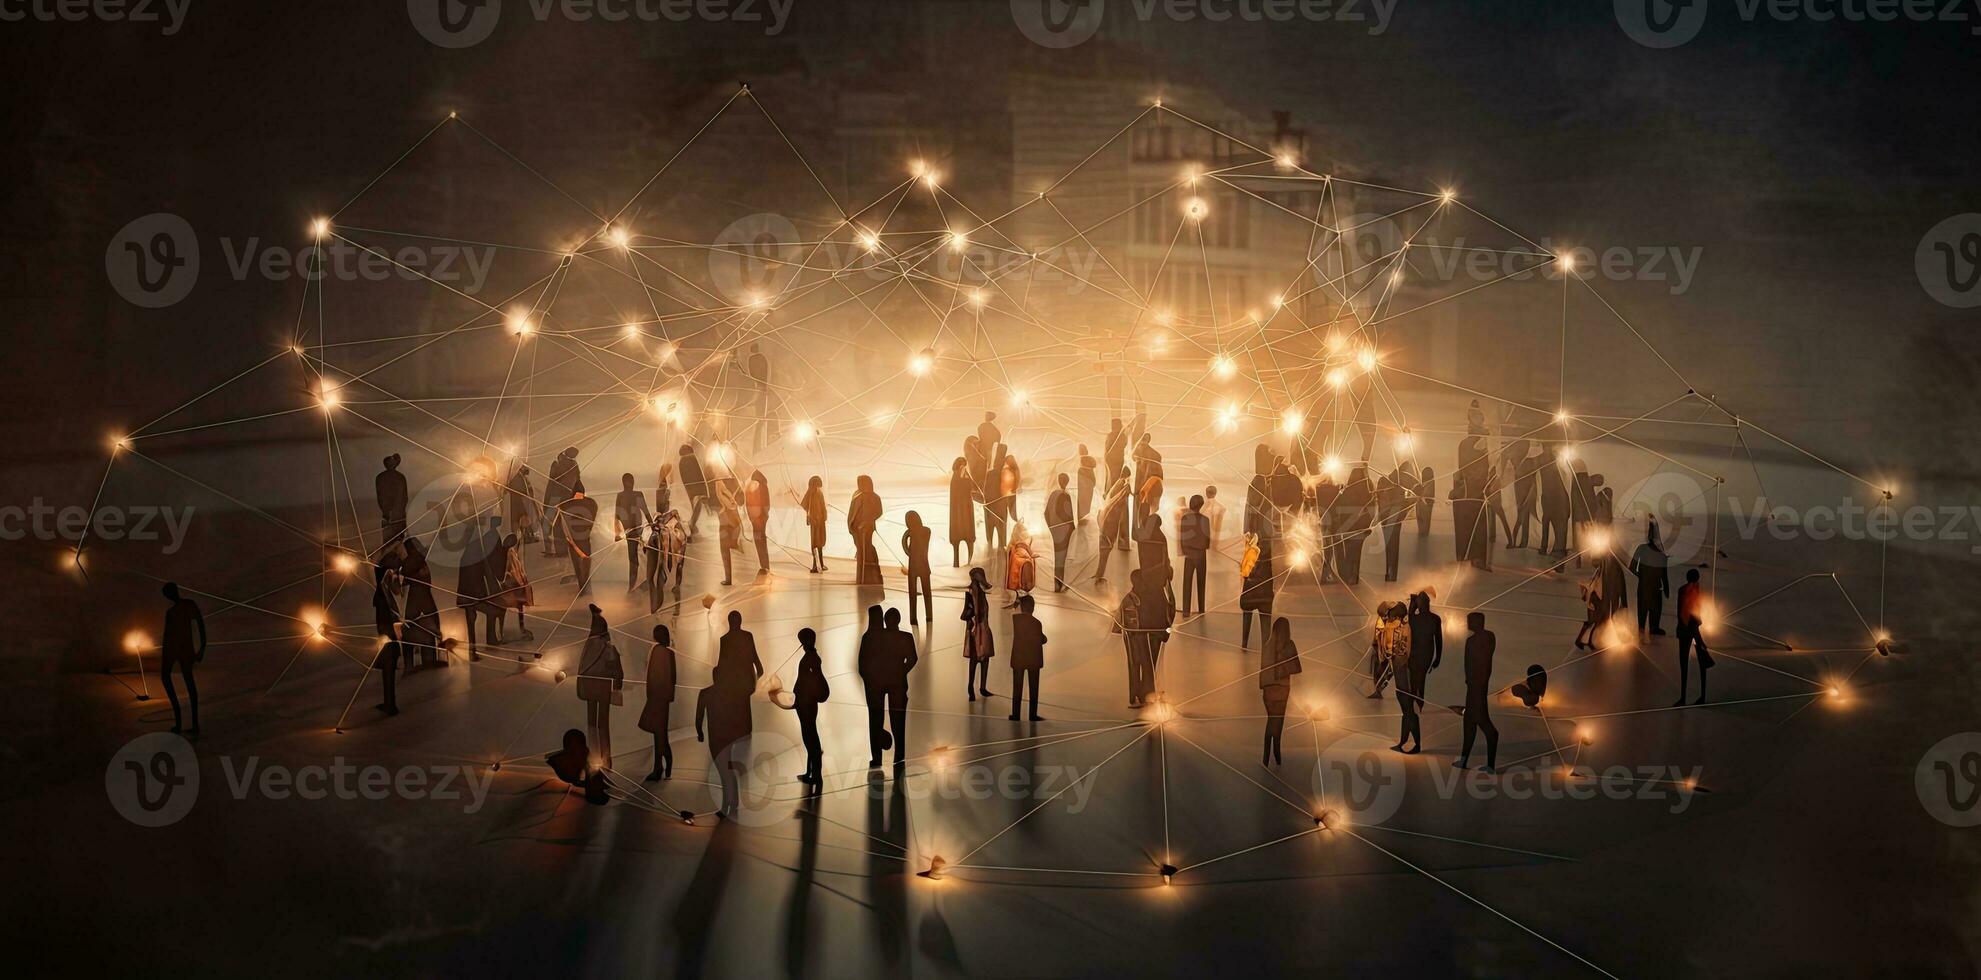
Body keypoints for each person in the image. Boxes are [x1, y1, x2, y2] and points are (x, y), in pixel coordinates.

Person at [577, 605, 624, 770]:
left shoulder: (588, 647)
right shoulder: (608, 648)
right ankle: (606, 759)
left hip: (590, 688)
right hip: (603, 689)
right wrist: (617, 685)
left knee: (591, 722)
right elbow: (617, 670)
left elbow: (582, 669)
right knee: (603, 723)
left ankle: (593, 756)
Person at [1454, 611, 1499, 772]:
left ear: (1478, 622)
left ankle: (1490, 765)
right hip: (1474, 685)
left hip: (1477, 686)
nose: (1468, 623)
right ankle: (1464, 760)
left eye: (1470, 621)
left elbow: (1480, 663)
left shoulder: (1480, 639)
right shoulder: (1480, 639)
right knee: (1469, 722)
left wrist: (1476, 681)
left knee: (1482, 722)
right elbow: (1469, 664)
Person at [1397, 592, 1443, 753]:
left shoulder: (1418, 619)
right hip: (1422, 656)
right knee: (1417, 684)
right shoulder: (1431, 619)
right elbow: (1439, 640)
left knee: (1415, 687)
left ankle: (1416, 707)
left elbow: (1439, 639)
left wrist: (1412, 606)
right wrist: (1437, 658)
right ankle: (1416, 706)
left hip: (1419, 657)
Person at [1260, 616, 1302, 766]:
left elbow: (1263, 673)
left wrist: (1266, 686)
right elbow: (1297, 668)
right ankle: (1276, 756)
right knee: (1277, 723)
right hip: (1281, 691)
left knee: (1271, 722)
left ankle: (1267, 757)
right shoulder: (1289, 645)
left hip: (1270, 692)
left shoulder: (1267, 646)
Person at [793, 627, 830, 787]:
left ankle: (816, 775)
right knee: (809, 736)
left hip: (807, 702)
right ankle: (811, 772)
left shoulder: (811, 658)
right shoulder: (811, 657)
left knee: (810, 738)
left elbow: (813, 679)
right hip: (806, 701)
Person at [455, 518, 496, 660]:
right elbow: (487, 576)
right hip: (474, 595)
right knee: (491, 612)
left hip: (465, 595)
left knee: (471, 621)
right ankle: (489, 640)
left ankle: (472, 652)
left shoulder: (466, 554)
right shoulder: (478, 554)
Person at [639, 624, 677, 781]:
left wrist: (651, 694)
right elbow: (673, 678)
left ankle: (660, 767)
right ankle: (664, 764)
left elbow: (653, 676)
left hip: (656, 698)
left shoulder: (656, 651)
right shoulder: (670, 653)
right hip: (664, 698)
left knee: (658, 733)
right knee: (661, 732)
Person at [400, 539, 444, 667]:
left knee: (423, 643)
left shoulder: (413, 564)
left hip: (419, 612)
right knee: (425, 642)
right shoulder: (413, 564)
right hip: (421, 612)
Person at [1674, 568, 1715, 705]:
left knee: (1684, 663)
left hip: (1686, 628)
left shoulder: (1683, 590)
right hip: (1694, 627)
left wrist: (1682, 628)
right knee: (1701, 661)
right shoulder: (1698, 591)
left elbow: (1680, 612)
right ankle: (1702, 696)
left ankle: (1683, 697)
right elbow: (1697, 611)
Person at [490, 531, 536, 648]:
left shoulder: (511, 552)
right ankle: (504, 631)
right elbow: (508, 571)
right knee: (515, 603)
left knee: (521, 602)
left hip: (512, 585)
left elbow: (517, 569)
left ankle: (519, 628)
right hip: (507, 587)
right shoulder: (507, 554)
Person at [1116, 568, 1153, 707]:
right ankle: (1134, 696)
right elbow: (1121, 620)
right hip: (1133, 638)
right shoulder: (1130, 599)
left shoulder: (1138, 598)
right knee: (1134, 665)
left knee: (1142, 664)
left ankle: (1142, 694)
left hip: (1140, 636)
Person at [1008, 594, 1046, 721]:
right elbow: (1042, 639)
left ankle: (1015, 714)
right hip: (1033, 660)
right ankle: (1032, 714)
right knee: (1034, 689)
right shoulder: (1037, 623)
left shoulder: (1016, 620)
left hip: (1018, 659)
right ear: (1033, 608)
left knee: (1017, 688)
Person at [1630, 521, 1670, 640]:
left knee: (1645, 610)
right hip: (1655, 588)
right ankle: (1651, 627)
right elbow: (1664, 573)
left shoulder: (1642, 549)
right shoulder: (1660, 553)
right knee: (1652, 610)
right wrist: (1666, 588)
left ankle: (1646, 627)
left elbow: (1632, 567)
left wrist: (1641, 576)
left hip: (1646, 587)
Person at [371, 565, 403, 714]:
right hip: (388, 639)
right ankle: (389, 703)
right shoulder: (383, 597)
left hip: (388, 640)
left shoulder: (384, 597)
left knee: (388, 671)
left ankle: (390, 704)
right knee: (388, 671)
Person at [614, 473, 653, 591]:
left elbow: (617, 516)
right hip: (633, 529)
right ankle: (637, 583)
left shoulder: (622, 495)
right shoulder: (635, 494)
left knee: (635, 557)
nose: (631, 483)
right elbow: (618, 515)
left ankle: (634, 584)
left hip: (633, 529)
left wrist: (618, 533)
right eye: (630, 481)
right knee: (640, 555)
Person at [961, 567, 996, 700]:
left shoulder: (981, 591)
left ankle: (982, 687)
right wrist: (972, 618)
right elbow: (967, 611)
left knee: (985, 658)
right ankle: (971, 687)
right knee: (975, 659)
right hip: (976, 629)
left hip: (983, 627)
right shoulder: (971, 592)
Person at [1366, 600, 1411, 698]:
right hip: (1383, 651)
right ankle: (1378, 691)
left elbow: (1405, 644)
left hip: (1396, 655)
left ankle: (1405, 696)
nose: (1386, 619)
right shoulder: (1385, 621)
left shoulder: (1402, 626)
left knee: (1398, 678)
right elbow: (1378, 635)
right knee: (1379, 672)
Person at [543, 447, 583, 557]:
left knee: (550, 523)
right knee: (559, 523)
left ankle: (555, 550)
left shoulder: (558, 464)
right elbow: (577, 482)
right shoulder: (574, 466)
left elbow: (553, 476)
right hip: (566, 497)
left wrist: (558, 461)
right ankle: (562, 550)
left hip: (554, 497)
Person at [1238, 532, 1276, 649]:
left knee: (1247, 615)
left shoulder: (1252, 552)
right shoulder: (1271, 557)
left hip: (1250, 595)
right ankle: (1266, 647)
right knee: (1265, 624)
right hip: (1266, 596)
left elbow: (1245, 572)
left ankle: (1244, 643)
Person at [1095, 466, 1131, 584]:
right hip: (1110, 524)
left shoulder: (1117, 484)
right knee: (1105, 550)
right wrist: (1126, 491)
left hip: (1107, 522)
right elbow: (1117, 500)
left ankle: (1099, 574)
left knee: (1104, 551)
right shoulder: (1121, 486)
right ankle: (1099, 576)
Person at [559, 490, 599, 595]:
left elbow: (560, 507)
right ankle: (585, 583)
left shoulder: (567, 504)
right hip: (585, 536)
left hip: (574, 539)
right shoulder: (591, 503)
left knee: (577, 562)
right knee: (586, 559)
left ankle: (582, 585)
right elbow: (594, 514)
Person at [848, 474, 884, 587]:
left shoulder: (871, 497)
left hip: (865, 529)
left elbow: (878, 512)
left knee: (865, 551)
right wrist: (854, 526)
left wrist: (867, 522)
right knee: (862, 552)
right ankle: (864, 578)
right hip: (858, 529)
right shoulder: (859, 496)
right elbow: (853, 513)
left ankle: (867, 577)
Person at [1178, 494, 1210, 616]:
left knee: (1187, 583)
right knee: (1201, 582)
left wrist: (1185, 550)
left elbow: (1183, 537)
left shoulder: (1185, 519)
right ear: (1201, 505)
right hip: (1201, 554)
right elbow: (1207, 538)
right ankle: (1201, 609)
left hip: (1189, 554)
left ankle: (1186, 611)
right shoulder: (1205, 520)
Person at [717, 609, 765, 690]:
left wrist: (719, 679)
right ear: (740, 621)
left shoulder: (724, 639)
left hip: (731, 681)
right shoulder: (747, 636)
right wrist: (759, 673)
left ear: (729, 622)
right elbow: (754, 656)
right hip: (746, 679)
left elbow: (721, 663)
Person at [901, 511, 933, 625]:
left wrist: (910, 553)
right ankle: (928, 616)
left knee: (913, 594)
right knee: (926, 593)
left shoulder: (911, 532)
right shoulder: (926, 530)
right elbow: (904, 543)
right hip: (924, 565)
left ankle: (913, 618)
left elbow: (904, 545)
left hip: (914, 566)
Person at [1044, 472, 1075, 592]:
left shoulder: (1053, 494)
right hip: (1064, 530)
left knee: (1057, 557)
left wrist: (1051, 526)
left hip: (1054, 530)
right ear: (1067, 482)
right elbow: (1066, 514)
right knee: (1062, 558)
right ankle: (1059, 583)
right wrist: (1072, 527)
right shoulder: (1065, 496)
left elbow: (1046, 513)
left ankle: (1057, 583)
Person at [1377, 468, 1407, 582]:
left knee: (1388, 546)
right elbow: (1403, 505)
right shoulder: (1398, 487)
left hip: (1385, 520)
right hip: (1394, 521)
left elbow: (1379, 502)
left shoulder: (1382, 482)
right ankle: (1391, 574)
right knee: (1394, 547)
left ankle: (1389, 573)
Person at [1539, 449, 1570, 557]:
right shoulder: (1549, 465)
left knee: (1554, 525)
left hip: (1554, 500)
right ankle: (1552, 549)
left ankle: (1553, 549)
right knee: (1555, 526)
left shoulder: (1549, 465)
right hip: (1553, 500)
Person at [375, 454, 408, 553]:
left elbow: (380, 498)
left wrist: (386, 512)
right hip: (398, 515)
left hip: (388, 515)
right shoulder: (400, 477)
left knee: (388, 542)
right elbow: (404, 498)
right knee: (398, 541)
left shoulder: (380, 477)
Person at [947, 457, 977, 567]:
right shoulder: (958, 479)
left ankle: (966, 562)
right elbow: (969, 487)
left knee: (967, 541)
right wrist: (966, 477)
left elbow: (971, 487)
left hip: (962, 513)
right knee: (965, 540)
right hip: (964, 515)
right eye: (963, 466)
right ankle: (961, 563)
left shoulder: (956, 479)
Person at [715, 476, 743, 587]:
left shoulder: (718, 482)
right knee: (731, 546)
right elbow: (741, 501)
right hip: (735, 520)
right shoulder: (735, 479)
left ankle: (728, 579)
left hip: (726, 519)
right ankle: (729, 578)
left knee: (724, 548)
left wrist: (728, 502)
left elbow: (715, 501)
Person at [678, 443, 710, 540]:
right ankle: (690, 529)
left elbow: (684, 478)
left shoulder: (681, 462)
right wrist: (705, 492)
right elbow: (699, 475)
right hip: (697, 490)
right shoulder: (692, 459)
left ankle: (691, 529)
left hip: (689, 491)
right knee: (696, 510)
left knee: (693, 510)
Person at [1512, 442, 1540, 549]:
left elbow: (1531, 482)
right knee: (1522, 519)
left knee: (1522, 519)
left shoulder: (1527, 462)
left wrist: (1526, 498)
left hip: (1526, 496)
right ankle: (1518, 542)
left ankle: (1518, 542)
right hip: (1523, 496)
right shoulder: (1523, 463)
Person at [504, 461, 538, 545]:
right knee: (521, 518)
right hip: (519, 500)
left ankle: (526, 535)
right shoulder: (516, 476)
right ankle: (523, 536)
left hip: (520, 500)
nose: (525, 468)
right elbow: (520, 489)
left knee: (521, 518)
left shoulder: (520, 476)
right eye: (523, 466)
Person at [745, 469, 772, 577]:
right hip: (759, 519)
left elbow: (751, 503)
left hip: (758, 520)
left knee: (760, 542)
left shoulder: (756, 486)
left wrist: (757, 517)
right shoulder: (763, 486)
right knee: (761, 542)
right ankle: (764, 566)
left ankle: (764, 566)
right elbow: (766, 504)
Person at [801, 475, 828, 573]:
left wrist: (824, 516)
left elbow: (823, 506)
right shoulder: (810, 494)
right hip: (814, 523)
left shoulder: (819, 493)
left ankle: (820, 563)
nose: (817, 487)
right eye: (816, 485)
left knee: (819, 542)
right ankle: (815, 565)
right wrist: (810, 515)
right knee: (815, 543)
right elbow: (804, 504)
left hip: (820, 522)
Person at [1574, 568, 1604, 649]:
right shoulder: (1600, 573)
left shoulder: (1599, 571)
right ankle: (1583, 641)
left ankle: (1587, 641)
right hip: (1595, 598)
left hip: (1594, 598)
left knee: (1592, 622)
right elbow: (1592, 587)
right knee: (1593, 622)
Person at [1075, 444, 1098, 525]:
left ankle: (1081, 519)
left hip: (1083, 489)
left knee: (1082, 503)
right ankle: (1085, 518)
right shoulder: (1090, 461)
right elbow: (1092, 476)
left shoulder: (1081, 467)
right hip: (1089, 488)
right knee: (1087, 503)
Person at [1201, 485, 1226, 553]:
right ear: (1215, 494)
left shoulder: (1202, 508)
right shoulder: (1221, 507)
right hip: (1216, 538)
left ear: (1206, 493)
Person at [1415, 465, 1436, 537]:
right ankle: (1422, 531)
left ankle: (1424, 531)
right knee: (1420, 517)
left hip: (1425, 504)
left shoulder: (1430, 483)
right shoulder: (1424, 483)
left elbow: (1428, 494)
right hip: (1421, 503)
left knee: (1424, 518)